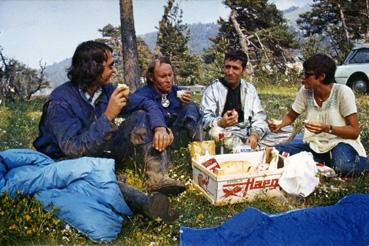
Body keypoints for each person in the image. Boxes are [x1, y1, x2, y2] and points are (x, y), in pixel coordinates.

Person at [33, 41, 185, 222]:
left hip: (100, 151)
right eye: (110, 66)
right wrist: (108, 116)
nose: (114, 70)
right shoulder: (60, 102)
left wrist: (159, 126)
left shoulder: (105, 90)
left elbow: (146, 102)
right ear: (93, 68)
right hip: (66, 161)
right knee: (92, 179)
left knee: (140, 116)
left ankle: (158, 177)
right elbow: (73, 149)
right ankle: (145, 204)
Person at [269, 53, 369, 177]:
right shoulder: (306, 91)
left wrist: (327, 128)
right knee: (278, 151)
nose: (303, 78)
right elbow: (290, 116)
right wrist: (280, 123)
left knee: (343, 167)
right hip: (316, 144)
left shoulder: (342, 92)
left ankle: (362, 163)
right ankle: (324, 162)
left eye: (307, 74)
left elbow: (354, 131)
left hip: (340, 142)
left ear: (321, 76)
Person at [201, 49, 268, 150]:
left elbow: (259, 117)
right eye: (227, 67)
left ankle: (248, 146)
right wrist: (221, 122)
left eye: (235, 68)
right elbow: (204, 119)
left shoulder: (249, 89)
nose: (230, 72)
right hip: (224, 133)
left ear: (243, 70)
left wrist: (255, 135)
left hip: (247, 133)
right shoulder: (213, 89)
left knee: (286, 130)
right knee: (214, 132)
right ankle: (245, 149)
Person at [133, 57, 202, 147]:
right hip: (156, 135)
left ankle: (197, 141)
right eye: (163, 76)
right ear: (151, 78)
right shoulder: (142, 95)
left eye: (170, 75)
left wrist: (184, 104)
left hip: (176, 132)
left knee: (192, 106)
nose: (168, 80)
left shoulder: (176, 91)